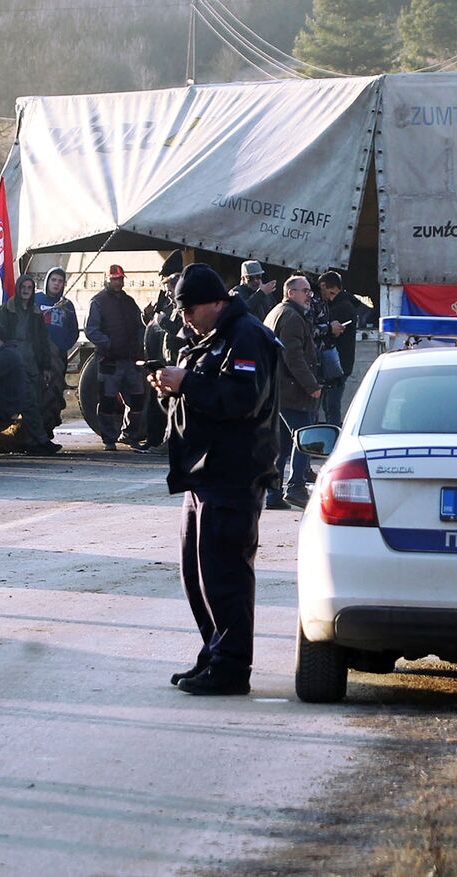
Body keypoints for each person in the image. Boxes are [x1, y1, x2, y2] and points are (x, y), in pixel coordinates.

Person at [146, 262, 281, 696]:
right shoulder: (206, 338)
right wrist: (172, 384)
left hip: (233, 473)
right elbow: (203, 393)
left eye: (191, 308)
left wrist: (187, 382)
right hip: (203, 474)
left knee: (225, 574)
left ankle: (231, 666)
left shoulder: (245, 335)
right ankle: (215, 654)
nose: (185, 316)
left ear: (217, 302)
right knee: (197, 573)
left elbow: (242, 399)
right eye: (180, 309)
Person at [262, 275, 321, 510]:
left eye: (309, 291)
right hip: (290, 391)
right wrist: (312, 386)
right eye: (304, 291)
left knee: (284, 443)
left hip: (277, 390)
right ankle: (295, 488)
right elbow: (293, 356)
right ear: (290, 293)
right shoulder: (291, 317)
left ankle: (273, 494)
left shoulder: (277, 312)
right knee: (307, 438)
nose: (309, 295)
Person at [0, 275, 61, 455]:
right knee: (28, 401)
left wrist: (46, 366)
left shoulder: (35, 313)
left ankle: (33, 441)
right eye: (23, 287)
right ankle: (40, 440)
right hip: (13, 359)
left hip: (32, 360)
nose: (26, 291)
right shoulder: (5, 311)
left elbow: (42, 341)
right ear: (18, 288)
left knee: (37, 402)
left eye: (29, 288)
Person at [85, 264, 147, 451]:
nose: (118, 282)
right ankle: (109, 440)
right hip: (109, 360)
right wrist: (109, 344)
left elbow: (139, 325)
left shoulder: (129, 302)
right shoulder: (97, 302)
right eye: (114, 279)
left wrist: (138, 343)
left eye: (120, 279)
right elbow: (91, 330)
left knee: (137, 400)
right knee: (107, 401)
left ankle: (130, 435)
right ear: (107, 279)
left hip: (130, 360)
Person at [141, 272, 183, 453]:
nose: (167, 294)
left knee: (174, 406)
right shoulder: (171, 307)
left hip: (178, 363)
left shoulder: (183, 309)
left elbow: (183, 333)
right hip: (166, 360)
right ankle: (160, 440)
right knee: (164, 404)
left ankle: (170, 442)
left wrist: (164, 322)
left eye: (170, 290)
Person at [311, 271, 357, 425]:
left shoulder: (341, 307)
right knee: (329, 406)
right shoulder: (343, 304)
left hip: (336, 367)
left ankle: (334, 438)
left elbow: (326, 331)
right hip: (336, 365)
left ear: (324, 286)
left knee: (331, 407)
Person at [35, 266, 77, 434]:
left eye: (60, 281)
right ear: (47, 281)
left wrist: (62, 346)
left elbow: (73, 331)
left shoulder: (67, 305)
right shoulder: (36, 299)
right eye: (53, 280)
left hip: (57, 358)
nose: (56, 284)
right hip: (37, 355)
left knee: (54, 393)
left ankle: (49, 428)